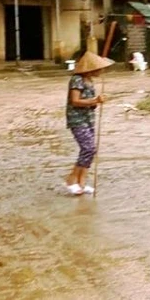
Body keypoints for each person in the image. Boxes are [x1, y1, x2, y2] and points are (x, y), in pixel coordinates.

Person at [65, 50, 113, 195]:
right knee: (88, 148)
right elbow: (75, 101)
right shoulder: (77, 80)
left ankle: (82, 182)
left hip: (88, 118)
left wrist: (95, 102)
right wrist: (95, 100)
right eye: (99, 68)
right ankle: (71, 180)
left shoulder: (89, 81)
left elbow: (89, 102)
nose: (101, 70)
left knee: (91, 150)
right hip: (77, 119)